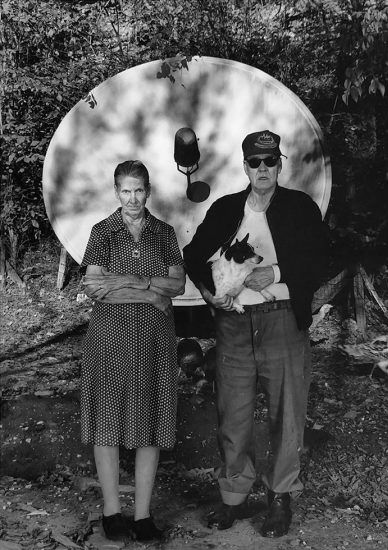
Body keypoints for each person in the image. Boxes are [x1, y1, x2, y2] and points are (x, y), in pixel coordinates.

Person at [183, 130, 329, 538]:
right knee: (233, 414)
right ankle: (233, 497)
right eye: (254, 162)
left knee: (287, 412)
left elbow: (323, 259)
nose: (262, 169)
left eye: (269, 161)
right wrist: (212, 296)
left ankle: (280, 497)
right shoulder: (227, 209)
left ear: (280, 165)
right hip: (233, 324)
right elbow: (193, 256)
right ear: (244, 167)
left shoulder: (300, 207)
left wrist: (277, 273)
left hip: (282, 319)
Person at [81, 160, 185, 542]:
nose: (132, 198)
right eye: (125, 190)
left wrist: (123, 282)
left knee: (151, 419)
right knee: (108, 417)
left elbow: (177, 283)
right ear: (115, 192)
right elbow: (93, 286)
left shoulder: (163, 232)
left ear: (148, 191)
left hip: (155, 339)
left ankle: (141, 517)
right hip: (110, 336)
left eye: (139, 190)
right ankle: (112, 512)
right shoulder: (102, 232)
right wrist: (147, 289)